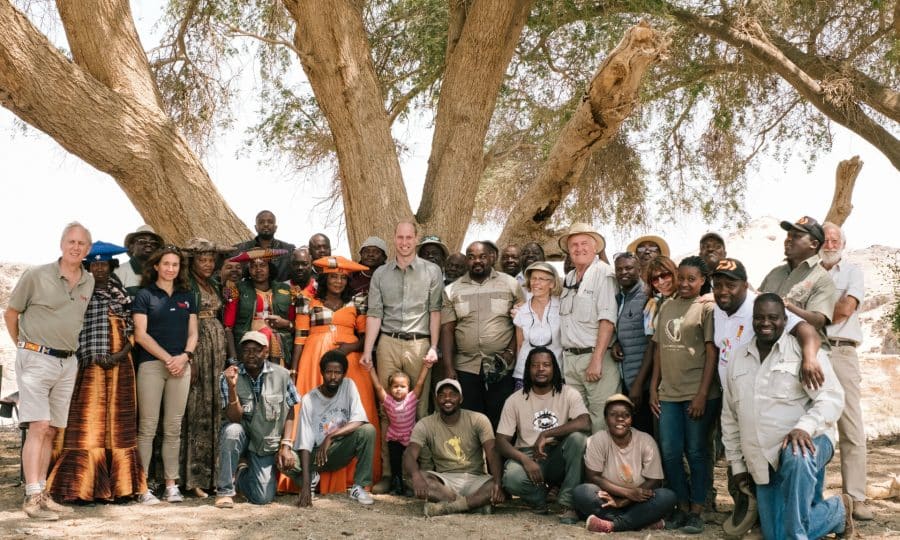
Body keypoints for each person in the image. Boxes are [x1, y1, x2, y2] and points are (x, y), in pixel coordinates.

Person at [722, 294, 852, 539]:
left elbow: (831, 398)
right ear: (752, 320)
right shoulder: (738, 359)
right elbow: (730, 416)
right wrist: (737, 464)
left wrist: (805, 427)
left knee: (797, 453)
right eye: (759, 317)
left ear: (785, 320)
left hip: (809, 445)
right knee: (776, 534)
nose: (765, 323)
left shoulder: (803, 353)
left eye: (773, 317)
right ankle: (837, 512)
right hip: (763, 461)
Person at [46, 241, 150, 504]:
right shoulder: (79, 293)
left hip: (120, 367)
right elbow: (71, 328)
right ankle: (82, 486)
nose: (100, 269)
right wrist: (90, 356)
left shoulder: (122, 294)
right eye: (95, 265)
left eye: (104, 264)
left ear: (111, 266)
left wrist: (118, 355)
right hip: (88, 366)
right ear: (88, 267)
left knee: (119, 424)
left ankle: (121, 487)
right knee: (87, 422)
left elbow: (132, 330)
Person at [5, 222, 94, 520]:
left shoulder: (88, 281)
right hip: (36, 357)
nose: (76, 247)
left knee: (52, 429)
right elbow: (11, 313)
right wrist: (24, 347)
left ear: (88, 249)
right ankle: (32, 497)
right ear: (61, 243)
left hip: (67, 361)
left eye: (82, 243)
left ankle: (42, 493)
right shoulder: (36, 275)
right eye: (71, 241)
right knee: (39, 426)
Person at [284, 255, 381, 494]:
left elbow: (364, 337)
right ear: (325, 279)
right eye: (333, 277)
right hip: (314, 359)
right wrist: (294, 370)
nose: (338, 281)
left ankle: (352, 477)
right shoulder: (307, 299)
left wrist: (349, 348)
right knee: (310, 412)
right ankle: (309, 473)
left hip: (350, 363)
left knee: (353, 412)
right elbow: (300, 337)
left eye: (342, 278)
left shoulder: (358, 301)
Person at [361, 221, 443, 490]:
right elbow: (375, 313)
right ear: (394, 238)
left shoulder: (432, 271)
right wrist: (368, 350)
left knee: (420, 410)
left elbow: (435, 311)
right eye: (400, 237)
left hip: (419, 343)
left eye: (409, 237)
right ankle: (388, 474)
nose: (404, 242)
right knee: (387, 410)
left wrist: (434, 346)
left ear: (416, 239)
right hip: (388, 341)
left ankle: (418, 475)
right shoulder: (381, 274)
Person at [648, 256, 719, 533]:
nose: (686, 283)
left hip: (697, 393)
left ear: (702, 281)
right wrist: (654, 387)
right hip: (669, 393)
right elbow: (659, 349)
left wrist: (702, 394)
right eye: (682, 277)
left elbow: (712, 353)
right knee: (669, 452)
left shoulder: (707, 308)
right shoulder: (666, 306)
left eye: (692, 279)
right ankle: (681, 506)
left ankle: (697, 510)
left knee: (697, 451)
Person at [133, 245, 199, 503]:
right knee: (147, 427)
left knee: (173, 427)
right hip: (152, 365)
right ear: (156, 266)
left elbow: (193, 333)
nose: (171, 269)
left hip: (181, 366)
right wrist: (168, 358)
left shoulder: (187, 296)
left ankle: (171, 485)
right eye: (166, 264)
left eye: (175, 264)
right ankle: (142, 487)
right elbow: (140, 335)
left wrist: (185, 356)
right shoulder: (145, 295)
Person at [496, 347, 589, 524]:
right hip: (529, 454)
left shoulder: (568, 393)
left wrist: (546, 434)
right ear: (527, 369)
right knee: (511, 478)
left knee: (579, 439)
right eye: (535, 365)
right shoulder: (515, 399)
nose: (540, 369)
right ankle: (539, 500)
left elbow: (585, 422)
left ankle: (567, 504)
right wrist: (524, 460)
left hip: (558, 453)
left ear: (554, 368)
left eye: (546, 365)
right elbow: (501, 441)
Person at [820, 221, 873, 521]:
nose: (830, 245)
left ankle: (856, 498)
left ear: (843, 243)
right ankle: (813, 498)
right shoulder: (808, 273)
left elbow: (845, 310)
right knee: (812, 424)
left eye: (835, 240)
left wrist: (811, 313)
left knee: (850, 426)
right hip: (812, 351)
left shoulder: (853, 272)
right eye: (825, 240)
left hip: (842, 351)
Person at [441, 241, 525, 427]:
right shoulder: (451, 290)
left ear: (492, 258)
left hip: (501, 366)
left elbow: (521, 324)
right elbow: (447, 329)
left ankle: (500, 448)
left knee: (502, 420)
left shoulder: (511, 284)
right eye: (471, 257)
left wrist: (510, 352)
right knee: (470, 421)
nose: (477, 261)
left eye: (482, 257)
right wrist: (448, 367)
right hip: (466, 367)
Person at [215, 331, 301, 508]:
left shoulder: (282, 375)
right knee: (232, 431)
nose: (251, 355)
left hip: (264, 441)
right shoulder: (228, 376)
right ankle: (225, 492)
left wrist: (286, 444)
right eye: (246, 351)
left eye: (256, 350)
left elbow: (290, 410)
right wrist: (232, 388)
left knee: (262, 497)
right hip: (241, 435)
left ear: (266, 352)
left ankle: (241, 473)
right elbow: (234, 418)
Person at [573, 394, 676, 533]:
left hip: (639, 502)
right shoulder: (598, 440)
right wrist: (627, 493)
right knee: (581, 492)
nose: (620, 418)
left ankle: (612, 525)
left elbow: (654, 480)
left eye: (626, 415)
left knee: (667, 496)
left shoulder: (645, 440)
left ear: (631, 419)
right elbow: (593, 476)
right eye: (613, 414)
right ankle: (640, 522)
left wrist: (624, 501)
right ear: (606, 419)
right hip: (608, 499)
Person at [403, 378, 504, 516]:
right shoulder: (425, 424)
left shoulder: (478, 419)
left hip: (476, 479)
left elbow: (492, 453)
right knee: (413, 477)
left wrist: (497, 483)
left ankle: (452, 507)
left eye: (453, 394)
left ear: (461, 398)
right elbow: (409, 453)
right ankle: (474, 505)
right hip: (445, 483)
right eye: (442, 395)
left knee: (500, 483)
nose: (447, 398)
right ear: (436, 399)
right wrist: (416, 476)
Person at [180, 238, 233, 498]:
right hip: (198, 347)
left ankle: (213, 476)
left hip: (216, 350)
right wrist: (189, 359)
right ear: (192, 262)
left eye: (211, 260)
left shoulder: (213, 283)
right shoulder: (185, 284)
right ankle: (193, 478)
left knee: (214, 409)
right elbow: (182, 322)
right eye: (202, 260)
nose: (208, 264)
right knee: (196, 410)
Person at [557, 223, 620, 433]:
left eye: (584, 243)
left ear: (595, 247)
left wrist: (597, 359)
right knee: (577, 421)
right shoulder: (569, 278)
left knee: (601, 421)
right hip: (571, 361)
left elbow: (607, 320)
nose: (579, 248)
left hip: (595, 358)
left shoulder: (604, 273)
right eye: (574, 245)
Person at [295, 350, 377, 507]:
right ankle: (310, 478)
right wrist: (304, 486)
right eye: (328, 372)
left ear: (344, 374)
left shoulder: (349, 386)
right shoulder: (309, 400)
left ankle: (358, 487)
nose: (333, 377)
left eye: (338, 373)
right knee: (286, 459)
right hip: (317, 455)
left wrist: (330, 436)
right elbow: (304, 443)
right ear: (322, 372)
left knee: (368, 430)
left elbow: (359, 419)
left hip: (341, 449)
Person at [759, 216, 836, 347]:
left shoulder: (822, 278)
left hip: (805, 350)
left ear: (814, 244)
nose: (788, 239)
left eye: (796, 236)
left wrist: (787, 306)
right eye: (788, 235)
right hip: (772, 348)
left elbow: (817, 321)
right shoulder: (774, 273)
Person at [367, 355, 435, 495]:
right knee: (395, 462)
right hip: (394, 438)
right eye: (395, 386)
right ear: (390, 388)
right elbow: (378, 387)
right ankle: (397, 484)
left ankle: (410, 484)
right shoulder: (388, 401)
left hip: (410, 438)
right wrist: (371, 368)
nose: (399, 389)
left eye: (402, 387)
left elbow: (420, 383)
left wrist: (426, 366)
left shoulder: (411, 398)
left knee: (411, 462)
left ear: (408, 388)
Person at [223, 249, 294, 366]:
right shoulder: (237, 289)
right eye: (253, 266)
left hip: (281, 347)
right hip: (247, 347)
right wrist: (233, 359)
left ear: (270, 268)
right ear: (248, 270)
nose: (258, 270)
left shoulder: (286, 290)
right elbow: (228, 328)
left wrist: (286, 324)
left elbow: (295, 325)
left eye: (262, 265)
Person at [611, 252, 652, 434]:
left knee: (646, 434)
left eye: (628, 268)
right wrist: (616, 343)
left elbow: (652, 345)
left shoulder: (646, 297)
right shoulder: (620, 297)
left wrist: (638, 384)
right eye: (619, 269)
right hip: (626, 380)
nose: (623, 272)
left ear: (639, 270)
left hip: (643, 384)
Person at [512, 261, 562, 388]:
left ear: (552, 283)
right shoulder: (521, 311)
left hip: (555, 373)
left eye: (541, 279)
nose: (536, 283)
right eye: (533, 278)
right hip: (525, 373)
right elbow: (520, 345)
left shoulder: (561, 308)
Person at [234, 211, 296, 282]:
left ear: (275, 227)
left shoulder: (289, 250)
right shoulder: (240, 249)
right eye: (261, 222)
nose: (266, 224)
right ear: (256, 227)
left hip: (281, 288)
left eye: (270, 222)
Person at [116, 225, 164, 298]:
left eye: (153, 242)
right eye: (142, 241)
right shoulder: (118, 271)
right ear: (131, 247)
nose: (148, 244)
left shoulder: (163, 272)